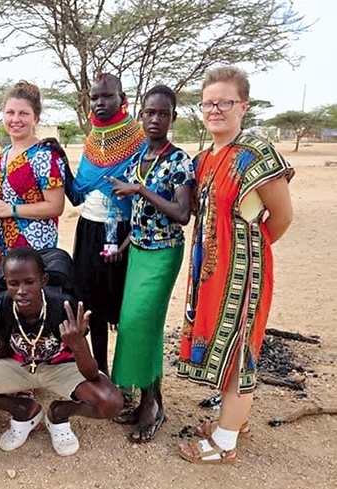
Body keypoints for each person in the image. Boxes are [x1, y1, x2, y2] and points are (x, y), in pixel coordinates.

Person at [176, 66, 294, 463]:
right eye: (208, 103)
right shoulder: (204, 158)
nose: (215, 110)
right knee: (223, 346)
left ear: (243, 106)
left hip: (242, 270)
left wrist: (247, 250)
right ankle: (233, 422)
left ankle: (224, 444)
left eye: (225, 102)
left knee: (240, 347)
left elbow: (281, 217)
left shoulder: (256, 154)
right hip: (212, 272)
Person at [0, 247, 123, 457]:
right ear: (6, 283)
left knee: (111, 402)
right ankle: (21, 409)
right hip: (17, 366)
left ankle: (59, 412)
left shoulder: (63, 305)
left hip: (59, 367)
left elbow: (90, 373)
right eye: (13, 284)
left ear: (43, 280)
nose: (21, 290)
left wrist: (77, 343)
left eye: (29, 282)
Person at [107, 85, 194, 443]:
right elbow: (140, 217)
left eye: (163, 113)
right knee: (136, 327)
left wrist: (140, 190)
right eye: (149, 113)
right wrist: (122, 245)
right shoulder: (136, 159)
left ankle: (150, 405)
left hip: (163, 254)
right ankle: (150, 398)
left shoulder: (180, 161)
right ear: (140, 116)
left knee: (140, 323)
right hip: (139, 252)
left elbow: (182, 214)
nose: (155, 119)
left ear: (172, 118)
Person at [69, 73, 145, 375]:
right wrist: (58, 155)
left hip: (125, 231)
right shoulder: (91, 142)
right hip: (89, 229)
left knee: (125, 307)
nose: (100, 102)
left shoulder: (139, 141)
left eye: (107, 96)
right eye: (95, 98)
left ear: (122, 100)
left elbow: (145, 192)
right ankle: (98, 370)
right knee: (91, 306)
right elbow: (77, 192)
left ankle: (124, 376)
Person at [0, 81, 66, 262]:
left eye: (24, 113)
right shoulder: (0, 159)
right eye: (10, 113)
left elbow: (55, 206)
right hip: (3, 249)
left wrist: (11, 210)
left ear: (35, 118)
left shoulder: (44, 156)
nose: (15, 119)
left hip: (35, 250)